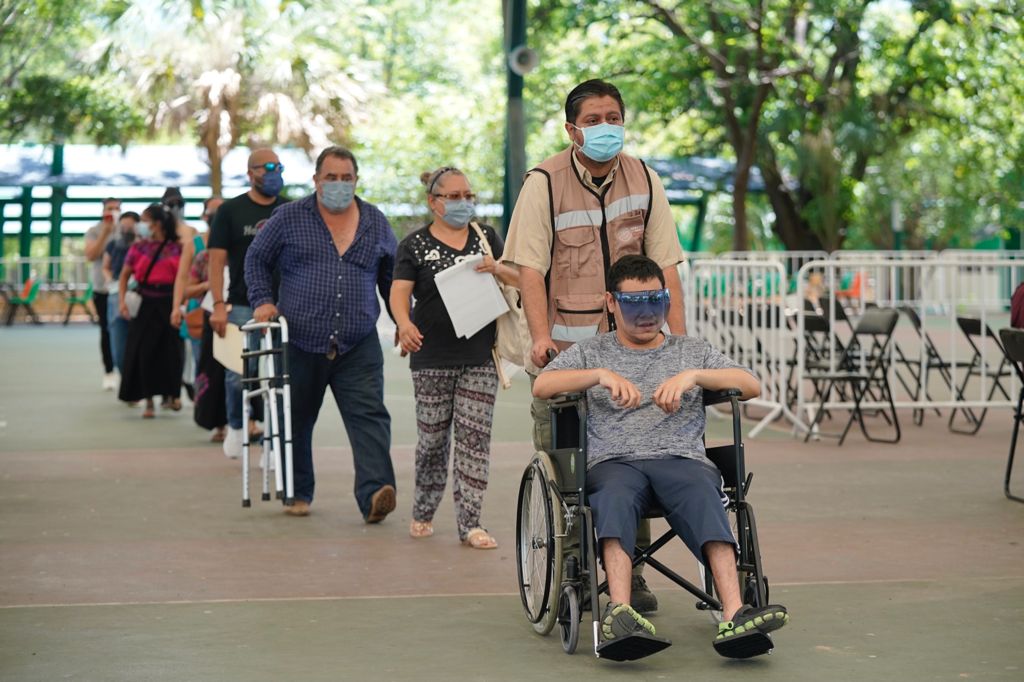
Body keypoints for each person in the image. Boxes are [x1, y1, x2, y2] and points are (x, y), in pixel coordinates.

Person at [533, 255, 789, 659]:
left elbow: (750, 384)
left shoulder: (691, 350)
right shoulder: (591, 351)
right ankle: (619, 611)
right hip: (614, 462)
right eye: (634, 302)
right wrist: (600, 375)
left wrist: (694, 376)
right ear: (611, 303)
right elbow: (544, 385)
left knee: (705, 493)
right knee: (613, 498)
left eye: (657, 300)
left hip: (681, 459)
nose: (647, 313)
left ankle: (735, 612)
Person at [502, 78, 687, 613]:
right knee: (570, 466)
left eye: (614, 117)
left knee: (639, 456)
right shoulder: (544, 182)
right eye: (594, 119)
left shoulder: (645, 178)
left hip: (635, 351)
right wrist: (541, 340)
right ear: (572, 129)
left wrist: (679, 341)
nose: (606, 127)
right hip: (568, 353)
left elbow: (666, 265)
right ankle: (572, 571)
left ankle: (634, 572)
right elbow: (530, 269)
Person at [245, 145, 397, 522]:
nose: (339, 185)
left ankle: (376, 491)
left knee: (370, 416)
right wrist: (263, 300)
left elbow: (393, 277)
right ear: (316, 180)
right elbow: (257, 259)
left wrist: (403, 321)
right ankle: (297, 492)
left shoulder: (375, 221)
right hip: (299, 338)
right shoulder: (289, 217)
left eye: (347, 178)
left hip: (358, 340)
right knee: (295, 417)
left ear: (356, 180)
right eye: (331, 178)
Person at [391, 167, 519, 548]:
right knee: (432, 438)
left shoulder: (486, 237)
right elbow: (400, 291)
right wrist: (403, 323)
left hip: (480, 355)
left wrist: (496, 267)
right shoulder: (413, 245)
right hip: (430, 355)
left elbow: (519, 277)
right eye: (454, 196)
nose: (464, 203)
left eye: (468, 195)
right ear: (434, 202)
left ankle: (471, 523)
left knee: (474, 440)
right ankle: (424, 508)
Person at [208, 150, 288, 458]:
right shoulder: (230, 211)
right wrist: (218, 304)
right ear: (250, 173)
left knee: (279, 374)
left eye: (279, 167)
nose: (274, 173)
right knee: (239, 371)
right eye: (267, 168)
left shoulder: (290, 209)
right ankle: (237, 425)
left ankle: (273, 440)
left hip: (284, 303)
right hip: (241, 303)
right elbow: (216, 262)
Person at [117, 204, 184, 418]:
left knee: (172, 352)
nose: (141, 225)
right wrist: (122, 301)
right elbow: (124, 276)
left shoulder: (177, 247)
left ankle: (173, 394)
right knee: (143, 352)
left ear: (156, 223)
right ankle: (147, 400)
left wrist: (179, 305)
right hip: (144, 303)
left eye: (145, 220)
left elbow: (184, 278)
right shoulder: (138, 248)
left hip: (169, 302)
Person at [171, 196, 224, 399]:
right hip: (198, 313)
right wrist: (177, 307)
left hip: (228, 311)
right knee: (203, 361)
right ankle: (205, 406)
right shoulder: (194, 245)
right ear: (204, 216)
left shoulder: (234, 243)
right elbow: (182, 279)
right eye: (213, 212)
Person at [83, 197, 122, 390]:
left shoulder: (125, 229)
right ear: (103, 211)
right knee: (106, 331)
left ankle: (126, 371)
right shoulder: (94, 231)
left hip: (124, 289)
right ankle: (109, 371)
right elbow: (91, 255)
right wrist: (105, 233)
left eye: (116, 208)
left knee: (124, 331)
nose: (113, 211)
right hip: (102, 289)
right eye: (110, 208)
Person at [102, 211, 140, 379]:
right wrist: (111, 280)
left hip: (139, 293)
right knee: (117, 343)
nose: (126, 229)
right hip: (116, 293)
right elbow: (105, 266)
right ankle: (126, 378)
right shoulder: (113, 245)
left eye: (130, 226)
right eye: (123, 226)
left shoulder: (143, 246)